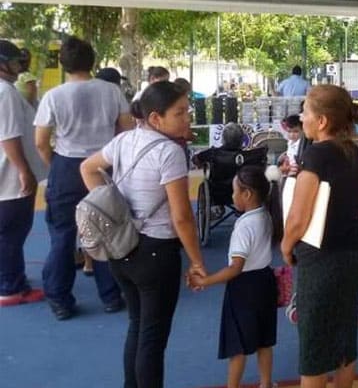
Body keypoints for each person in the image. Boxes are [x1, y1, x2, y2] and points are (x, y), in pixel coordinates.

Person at [79, 81, 206, 388]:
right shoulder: (169, 152)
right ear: (155, 118)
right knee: (153, 338)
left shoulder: (125, 140)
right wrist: (196, 261)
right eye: (179, 113)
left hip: (122, 248)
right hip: (156, 252)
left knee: (137, 326)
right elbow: (181, 217)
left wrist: (114, 207)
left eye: (187, 111)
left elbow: (88, 168)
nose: (187, 118)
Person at [34, 36, 134, 320]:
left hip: (66, 166)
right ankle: (111, 295)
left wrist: (56, 165)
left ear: (63, 63)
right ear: (93, 61)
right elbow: (125, 131)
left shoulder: (54, 96)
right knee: (107, 229)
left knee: (62, 234)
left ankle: (59, 300)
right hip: (102, 165)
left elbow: (41, 142)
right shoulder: (112, 91)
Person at [281, 85, 358, 388]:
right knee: (344, 338)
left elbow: (298, 217)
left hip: (322, 260)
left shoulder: (316, 155)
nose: (301, 117)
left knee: (314, 348)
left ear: (321, 121)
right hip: (353, 253)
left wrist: (286, 245)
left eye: (305, 112)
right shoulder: (355, 153)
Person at [189, 166, 277, 388]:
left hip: (243, 289)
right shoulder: (266, 215)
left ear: (247, 194)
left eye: (234, 191)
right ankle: (266, 383)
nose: (232, 196)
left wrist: (205, 281)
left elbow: (236, 268)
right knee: (264, 339)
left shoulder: (244, 225)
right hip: (265, 282)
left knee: (237, 344)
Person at [0, 41, 47, 307]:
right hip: (10, 177)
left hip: (7, 176)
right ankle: (10, 287)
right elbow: (8, 137)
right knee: (12, 233)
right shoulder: (5, 92)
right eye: (15, 61)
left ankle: (10, 279)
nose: (20, 66)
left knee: (8, 232)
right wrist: (24, 171)